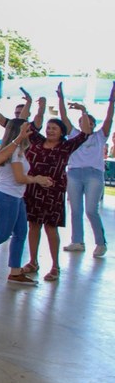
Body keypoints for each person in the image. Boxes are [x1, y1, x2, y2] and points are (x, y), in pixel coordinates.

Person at [24, 87, 89, 282]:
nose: (50, 130)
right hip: (34, 188)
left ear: (62, 132)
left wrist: (83, 111)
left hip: (53, 190)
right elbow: (28, 126)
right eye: (49, 127)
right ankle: (33, 261)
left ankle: (55, 265)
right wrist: (40, 109)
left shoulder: (66, 146)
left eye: (55, 128)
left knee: (51, 228)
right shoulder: (37, 141)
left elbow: (85, 133)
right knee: (33, 225)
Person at [0, 120, 47, 286]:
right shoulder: (15, 150)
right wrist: (37, 179)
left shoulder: (18, 150)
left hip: (15, 196)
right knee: (2, 234)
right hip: (7, 195)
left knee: (20, 233)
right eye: (27, 128)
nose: (31, 131)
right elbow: (19, 178)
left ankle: (15, 272)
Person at [63, 84, 114, 258]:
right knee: (75, 209)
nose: (87, 125)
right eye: (84, 122)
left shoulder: (100, 135)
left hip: (94, 174)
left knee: (91, 209)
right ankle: (77, 241)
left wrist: (112, 100)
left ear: (93, 125)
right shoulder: (73, 135)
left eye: (91, 123)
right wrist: (61, 99)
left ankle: (101, 243)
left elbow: (109, 118)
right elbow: (64, 117)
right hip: (75, 173)